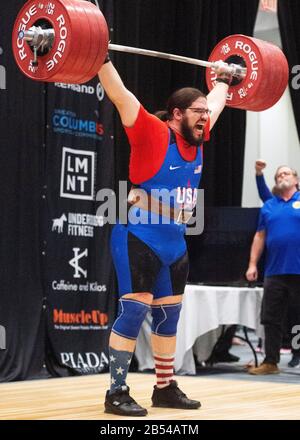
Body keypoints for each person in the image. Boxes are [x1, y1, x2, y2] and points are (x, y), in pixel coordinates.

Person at [97, 53, 231, 416]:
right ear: (176, 114)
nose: (206, 117)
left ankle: (165, 387)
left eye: (206, 113)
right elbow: (121, 94)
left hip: (175, 242)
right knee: (132, 313)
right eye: (197, 112)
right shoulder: (153, 133)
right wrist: (101, 58)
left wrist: (225, 77)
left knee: (168, 319)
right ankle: (116, 392)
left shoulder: (198, 136)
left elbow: (218, 100)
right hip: (138, 235)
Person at [246, 165, 300, 375]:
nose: (281, 176)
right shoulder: (269, 206)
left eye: (286, 173)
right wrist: (252, 264)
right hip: (275, 270)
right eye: (278, 175)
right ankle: (271, 362)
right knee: (271, 317)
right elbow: (259, 236)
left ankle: (297, 354)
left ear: (296, 179)